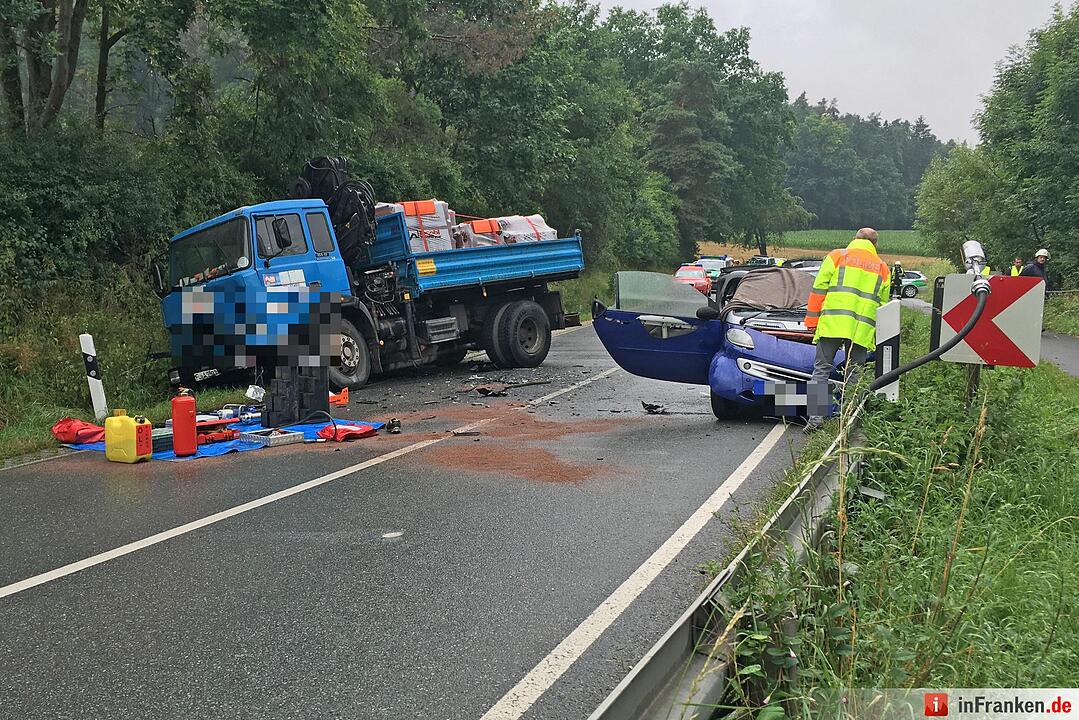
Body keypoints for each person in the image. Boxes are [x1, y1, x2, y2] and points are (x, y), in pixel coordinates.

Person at [804, 227, 891, 429]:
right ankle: (847, 421)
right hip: (861, 329)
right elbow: (883, 304)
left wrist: (811, 321)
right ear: (875, 244)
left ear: (855, 239)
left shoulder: (836, 256)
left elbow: (819, 290)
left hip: (833, 324)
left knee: (821, 371)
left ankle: (815, 419)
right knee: (854, 374)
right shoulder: (882, 267)